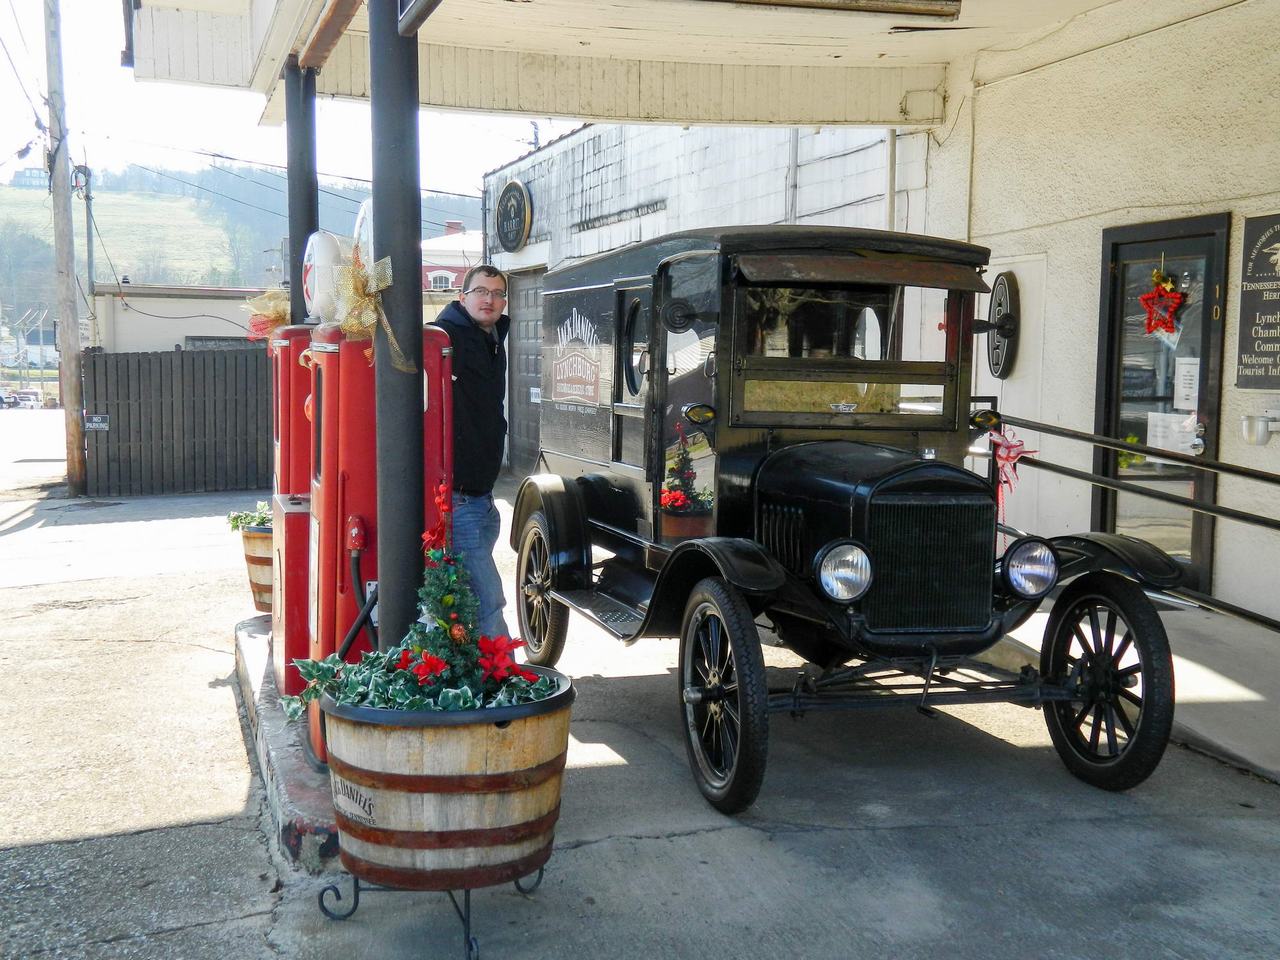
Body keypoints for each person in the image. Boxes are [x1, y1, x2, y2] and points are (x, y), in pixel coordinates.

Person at [432, 265, 512, 639]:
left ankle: (477, 678)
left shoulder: (492, 337)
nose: (490, 299)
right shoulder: (445, 337)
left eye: (497, 293)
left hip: (482, 495)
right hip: (459, 496)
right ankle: (504, 683)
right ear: (462, 297)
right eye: (481, 291)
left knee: (470, 598)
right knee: (487, 599)